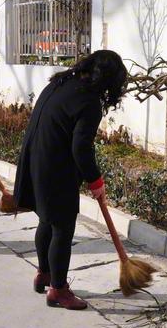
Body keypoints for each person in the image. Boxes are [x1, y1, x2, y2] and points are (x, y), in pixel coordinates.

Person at [13, 50, 127, 310]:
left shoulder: (60, 82)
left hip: (35, 159)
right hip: (56, 167)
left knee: (47, 220)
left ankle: (44, 273)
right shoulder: (88, 101)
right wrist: (95, 180)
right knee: (62, 229)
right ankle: (59, 290)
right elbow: (81, 148)